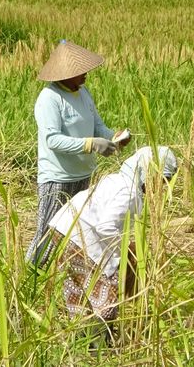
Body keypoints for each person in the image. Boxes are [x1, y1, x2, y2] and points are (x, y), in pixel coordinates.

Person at [25, 39, 128, 266]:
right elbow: (52, 140)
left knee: (76, 232)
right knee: (48, 234)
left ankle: (61, 276)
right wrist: (90, 144)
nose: (86, 75)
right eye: (80, 71)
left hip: (84, 175)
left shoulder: (83, 93)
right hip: (58, 179)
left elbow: (96, 126)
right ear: (66, 74)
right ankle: (30, 277)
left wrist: (113, 137)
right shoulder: (49, 99)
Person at [47, 146, 178, 325]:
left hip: (62, 228)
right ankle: (99, 341)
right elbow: (106, 226)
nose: (159, 187)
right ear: (147, 172)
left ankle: (80, 337)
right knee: (106, 297)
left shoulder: (117, 180)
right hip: (79, 236)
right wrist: (120, 255)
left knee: (80, 289)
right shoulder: (130, 193)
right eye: (159, 180)